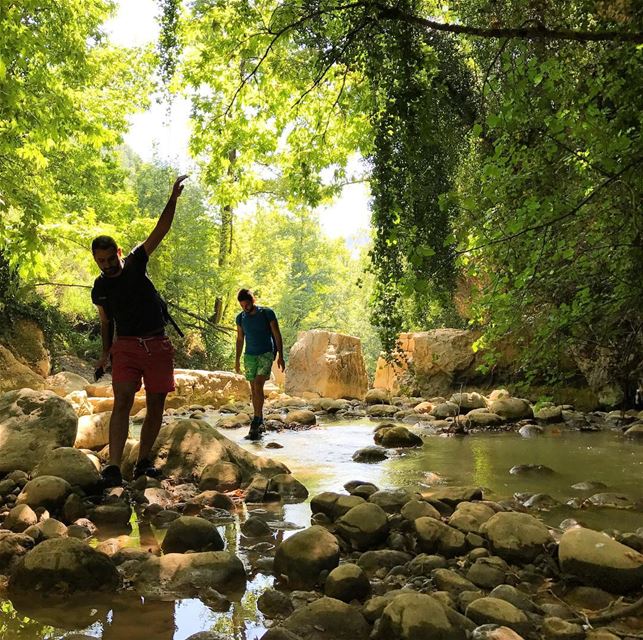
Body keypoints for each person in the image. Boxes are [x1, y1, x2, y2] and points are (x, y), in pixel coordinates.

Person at [91, 175, 188, 486]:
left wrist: (172, 199)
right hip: (127, 347)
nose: (107, 265)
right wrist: (105, 353)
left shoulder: (134, 263)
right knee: (122, 401)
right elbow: (106, 322)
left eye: (109, 258)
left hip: (157, 344)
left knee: (156, 404)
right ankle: (114, 467)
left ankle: (144, 460)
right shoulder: (101, 287)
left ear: (118, 252)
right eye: (100, 261)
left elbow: (160, 231)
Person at [235, 289, 285, 440]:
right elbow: (239, 339)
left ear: (252, 301)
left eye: (247, 305)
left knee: (258, 385)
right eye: (242, 306)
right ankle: (259, 418)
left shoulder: (267, 313)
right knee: (253, 389)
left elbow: (277, 334)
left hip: (266, 353)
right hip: (249, 356)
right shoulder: (240, 318)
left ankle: (256, 420)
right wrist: (237, 360)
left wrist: (281, 356)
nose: (245, 308)